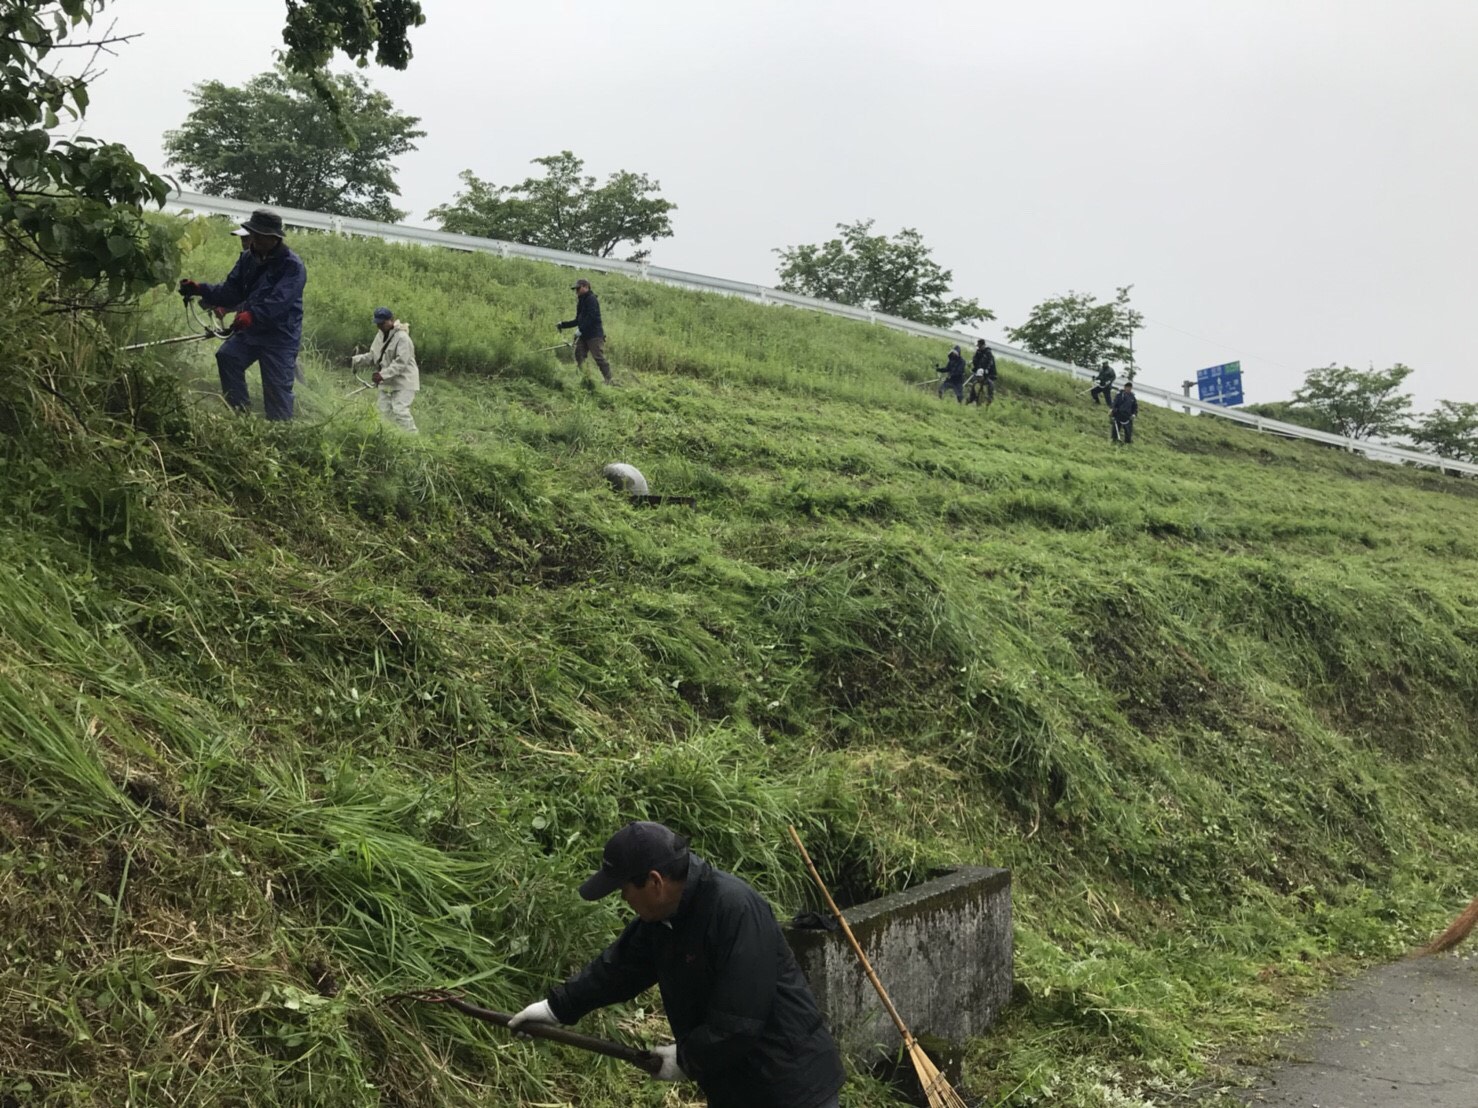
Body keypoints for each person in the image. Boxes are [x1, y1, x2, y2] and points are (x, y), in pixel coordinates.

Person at [508, 820, 845, 1108]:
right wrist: (555, 1008)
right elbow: (616, 970)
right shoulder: (663, 921)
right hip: (736, 1086)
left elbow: (739, 1021)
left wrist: (686, 1059)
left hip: (793, 1086)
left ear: (655, 882)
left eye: (624, 890)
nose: (623, 900)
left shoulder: (735, 910)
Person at [179, 208, 307, 421]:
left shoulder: (292, 266)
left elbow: (279, 302)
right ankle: (240, 417)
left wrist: (252, 315)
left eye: (259, 236)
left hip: (280, 337)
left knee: (277, 392)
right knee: (227, 357)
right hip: (251, 331)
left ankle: (281, 434)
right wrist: (201, 289)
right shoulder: (248, 259)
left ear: (274, 238)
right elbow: (231, 291)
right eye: (253, 234)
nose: (254, 239)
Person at [351, 307, 419, 433]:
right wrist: (355, 360)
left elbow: (401, 363)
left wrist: (382, 374)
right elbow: (373, 356)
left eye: (382, 323)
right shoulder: (379, 336)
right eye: (378, 324)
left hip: (404, 381)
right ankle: (390, 438)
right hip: (386, 382)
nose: (380, 326)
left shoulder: (402, 338)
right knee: (383, 413)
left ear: (391, 320)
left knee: (400, 411)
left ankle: (414, 440)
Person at [556, 277, 612, 383]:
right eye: (575, 289)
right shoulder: (581, 301)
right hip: (584, 334)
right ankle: (584, 377)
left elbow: (591, 318)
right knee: (579, 354)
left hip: (594, 335)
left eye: (578, 288)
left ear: (586, 287)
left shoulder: (592, 299)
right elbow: (578, 320)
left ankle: (608, 379)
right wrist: (563, 325)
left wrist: (580, 329)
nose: (576, 291)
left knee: (598, 357)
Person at [967, 339, 997, 406]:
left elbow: (990, 362)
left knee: (990, 385)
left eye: (980, 346)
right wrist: (971, 363)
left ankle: (989, 399)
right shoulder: (978, 352)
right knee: (975, 384)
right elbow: (975, 360)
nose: (979, 347)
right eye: (978, 346)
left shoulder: (988, 353)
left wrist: (987, 369)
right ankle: (972, 398)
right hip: (979, 372)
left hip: (989, 374)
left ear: (983, 345)